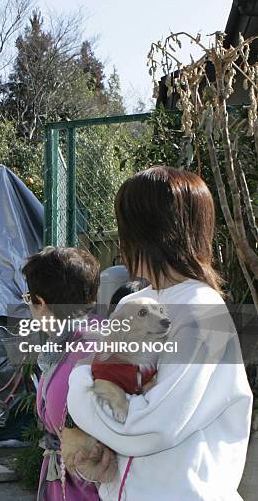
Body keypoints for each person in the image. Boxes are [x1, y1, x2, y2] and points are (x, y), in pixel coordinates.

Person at [66, 166, 253, 500]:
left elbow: (151, 426)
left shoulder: (202, 310)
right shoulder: (138, 302)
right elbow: (109, 386)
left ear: (140, 231)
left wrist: (77, 388)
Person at [22, 246, 110, 501]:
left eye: (29, 298)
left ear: (41, 302)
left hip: (83, 487)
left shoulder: (82, 350)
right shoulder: (82, 338)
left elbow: (63, 417)